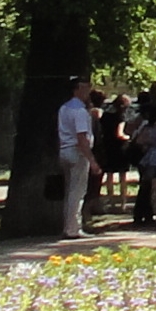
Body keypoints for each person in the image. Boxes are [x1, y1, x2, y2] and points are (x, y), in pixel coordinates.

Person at [56, 77, 97, 239]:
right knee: (77, 192)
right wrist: (92, 160)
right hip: (77, 152)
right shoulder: (80, 111)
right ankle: (73, 228)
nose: (88, 91)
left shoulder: (64, 108)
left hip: (65, 150)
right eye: (85, 88)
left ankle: (68, 225)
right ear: (77, 89)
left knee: (70, 191)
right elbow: (82, 138)